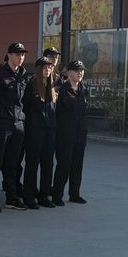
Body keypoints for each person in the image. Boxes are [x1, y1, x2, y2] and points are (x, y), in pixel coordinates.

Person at [0, 42, 29, 212]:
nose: (20, 57)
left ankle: (12, 197)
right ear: (9, 55)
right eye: (17, 54)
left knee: (13, 163)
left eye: (22, 54)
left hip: (18, 124)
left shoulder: (24, 74)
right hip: (2, 123)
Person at [22, 57, 57, 209]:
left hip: (49, 131)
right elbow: (26, 108)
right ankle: (29, 196)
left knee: (48, 164)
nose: (47, 70)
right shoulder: (31, 86)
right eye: (44, 68)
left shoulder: (52, 86)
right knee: (32, 164)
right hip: (34, 131)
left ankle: (44, 195)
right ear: (38, 70)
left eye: (49, 67)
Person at [53, 59, 88, 205]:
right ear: (69, 73)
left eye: (81, 70)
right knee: (63, 166)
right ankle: (57, 195)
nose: (80, 73)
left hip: (80, 135)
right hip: (65, 136)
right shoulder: (62, 90)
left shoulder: (83, 90)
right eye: (76, 70)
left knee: (77, 167)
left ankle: (75, 194)